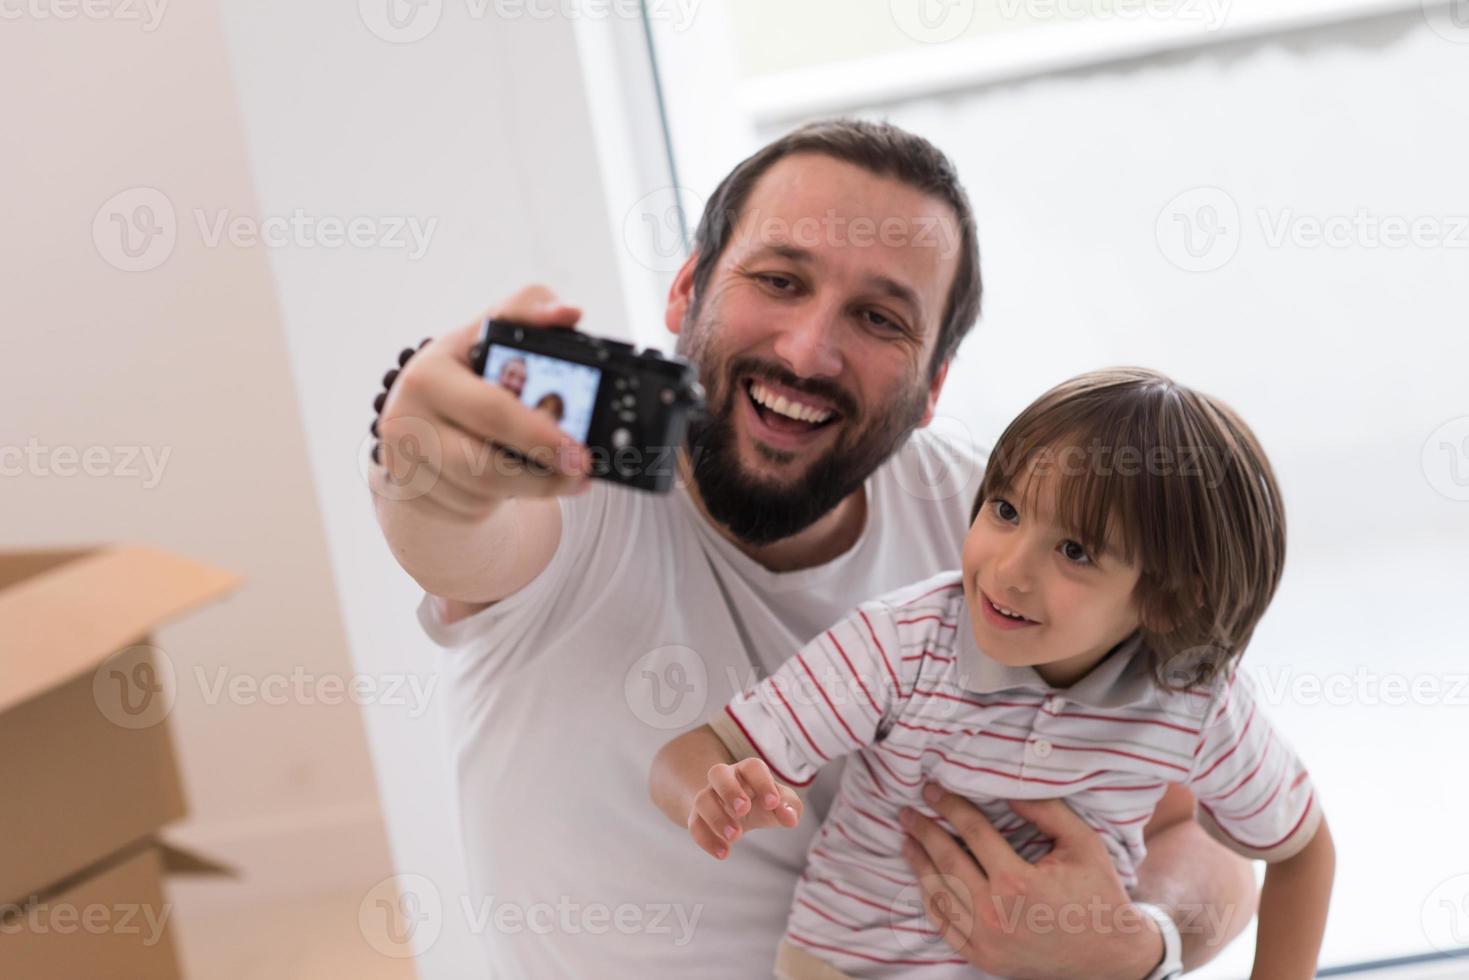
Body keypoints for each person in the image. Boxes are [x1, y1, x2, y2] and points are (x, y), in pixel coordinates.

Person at [371, 118, 1258, 979]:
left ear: (930, 386)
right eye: (780, 281)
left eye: (879, 318)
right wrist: (427, 472)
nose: (808, 351)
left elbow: (1202, 832)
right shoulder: (569, 489)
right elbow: (454, 537)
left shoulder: (1002, 525)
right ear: (686, 292)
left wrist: (1138, 945)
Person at [650, 367, 1335, 979]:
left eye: (1073, 550)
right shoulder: (904, 643)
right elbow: (697, 751)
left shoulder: (1195, 701)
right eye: (1004, 511)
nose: (1008, 569)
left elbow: (1300, 851)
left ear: (1168, 599)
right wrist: (710, 794)